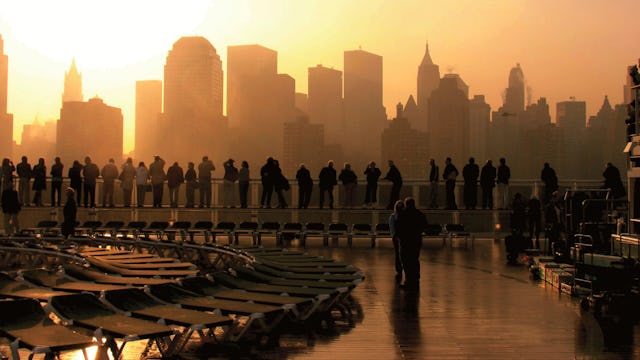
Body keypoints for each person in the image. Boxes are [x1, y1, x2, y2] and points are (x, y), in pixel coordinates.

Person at [396, 197, 427, 292]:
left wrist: (400, 237)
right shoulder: (420, 214)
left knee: (406, 261)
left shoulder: (402, 214)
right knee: (415, 259)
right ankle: (416, 279)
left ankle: (408, 280)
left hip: (405, 241)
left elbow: (398, 227)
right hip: (416, 240)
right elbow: (424, 226)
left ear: (406, 204)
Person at [389, 200, 405, 282]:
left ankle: (402, 267)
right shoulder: (393, 216)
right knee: (397, 253)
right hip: (396, 237)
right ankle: (399, 268)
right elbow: (392, 227)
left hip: (403, 237)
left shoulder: (405, 216)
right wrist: (394, 236)